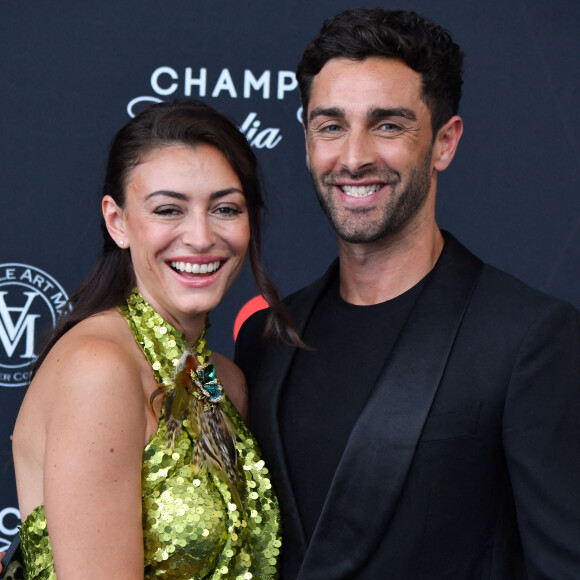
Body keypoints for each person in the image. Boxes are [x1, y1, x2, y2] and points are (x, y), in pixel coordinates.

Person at [234, 8, 580, 579]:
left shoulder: (530, 341)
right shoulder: (266, 337)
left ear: (444, 143)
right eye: (330, 126)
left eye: (388, 125)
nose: (353, 157)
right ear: (306, 140)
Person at [9, 100, 291, 579]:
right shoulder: (98, 369)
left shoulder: (225, 381)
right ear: (117, 222)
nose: (201, 237)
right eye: (168, 209)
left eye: (225, 208)